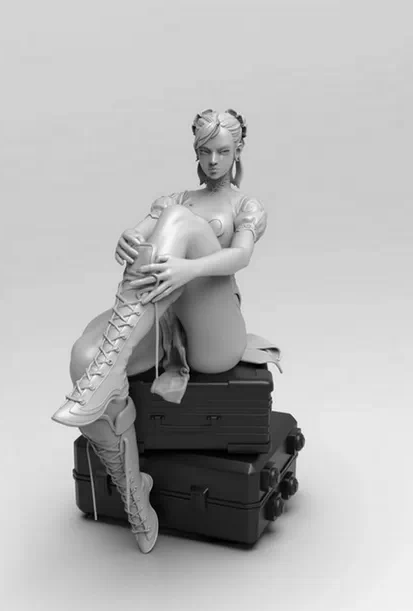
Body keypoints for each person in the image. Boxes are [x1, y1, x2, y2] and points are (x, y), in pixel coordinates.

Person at [52, 109, 280, 553]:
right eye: (205, 151)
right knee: (83, 357)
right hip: (163, 321)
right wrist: (128, 237)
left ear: (238, 151)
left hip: (214, 332)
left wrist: (188, 269)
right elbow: (141, 240)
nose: (213, 161)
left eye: (223, 152)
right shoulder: (176, 198)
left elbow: (241, 256)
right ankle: (135, 496)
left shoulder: (244, 206)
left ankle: (111, 364)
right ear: (195, 151)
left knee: (178, 218)